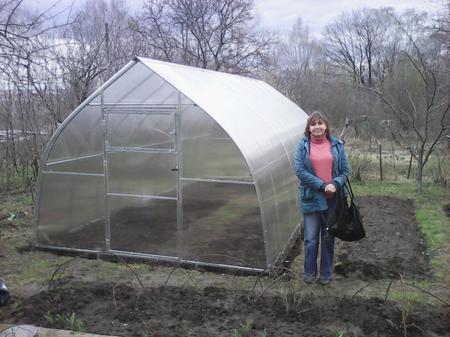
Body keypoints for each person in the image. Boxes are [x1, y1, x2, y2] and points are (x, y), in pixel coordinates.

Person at [294, 111, 350, 285]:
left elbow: (345, 171)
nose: (317, 127)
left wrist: (335, 183)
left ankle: (325, 274)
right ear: (308, 128)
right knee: (310, 239)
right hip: (311, 198)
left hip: (333, 200)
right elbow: (300, 171)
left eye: (320, 123)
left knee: (328, 237)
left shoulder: (336, 145)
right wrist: (322, 185)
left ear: (326, 125)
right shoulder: (303, 145)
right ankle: (309, 273)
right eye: (313, 124)